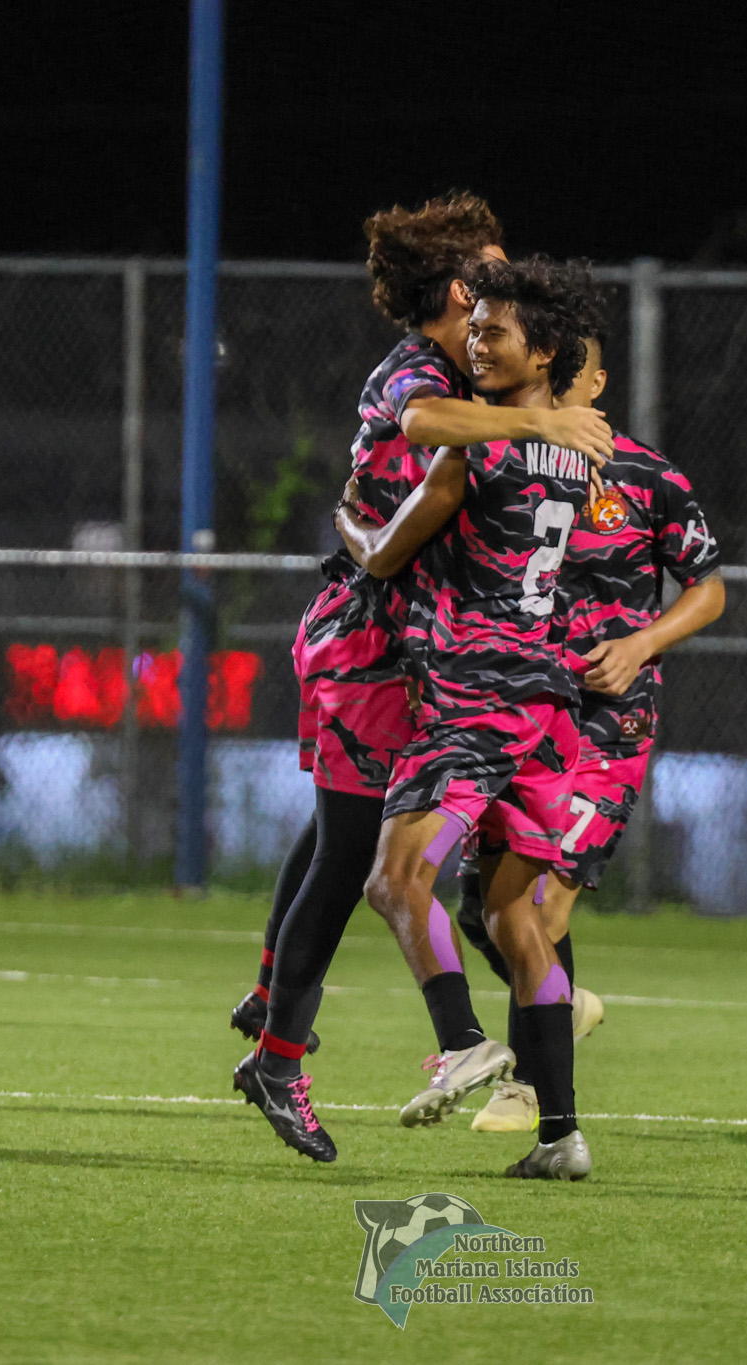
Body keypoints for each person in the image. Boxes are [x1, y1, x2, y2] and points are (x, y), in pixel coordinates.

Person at [232, 197, 613, 1164]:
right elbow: (416, 446)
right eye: (489, 269)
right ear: (456, 289)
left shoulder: (475, 374)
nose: (502, 279)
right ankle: (291, 1049)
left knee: (371, 840)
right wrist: (548, 425)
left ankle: (534, 1085)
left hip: (443, 654)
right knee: (361, 846)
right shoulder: (427, 377)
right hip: (374, 645)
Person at [337, 255, 604, 1180]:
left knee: (394, 876)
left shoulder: (475, 443)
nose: (477, 344)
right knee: (512, 916)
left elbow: (384, 551)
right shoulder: (576, 447)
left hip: (475, 698)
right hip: (548, 703)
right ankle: (561, 1133)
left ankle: (462, 1041)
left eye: (496, 332)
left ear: (544, 349)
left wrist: (353, 532)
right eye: (474, 327)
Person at [457, 331, 726, 1133]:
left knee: (539, 907)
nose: (557, 379)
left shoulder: (646, 476)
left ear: (599, 381)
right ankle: (560, 1010)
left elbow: (708, 589)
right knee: (479, 907)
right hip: (520, 715)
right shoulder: (499, 466)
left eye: (574, 367)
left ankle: (530, 1089)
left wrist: (640, 644)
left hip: (611, 723)